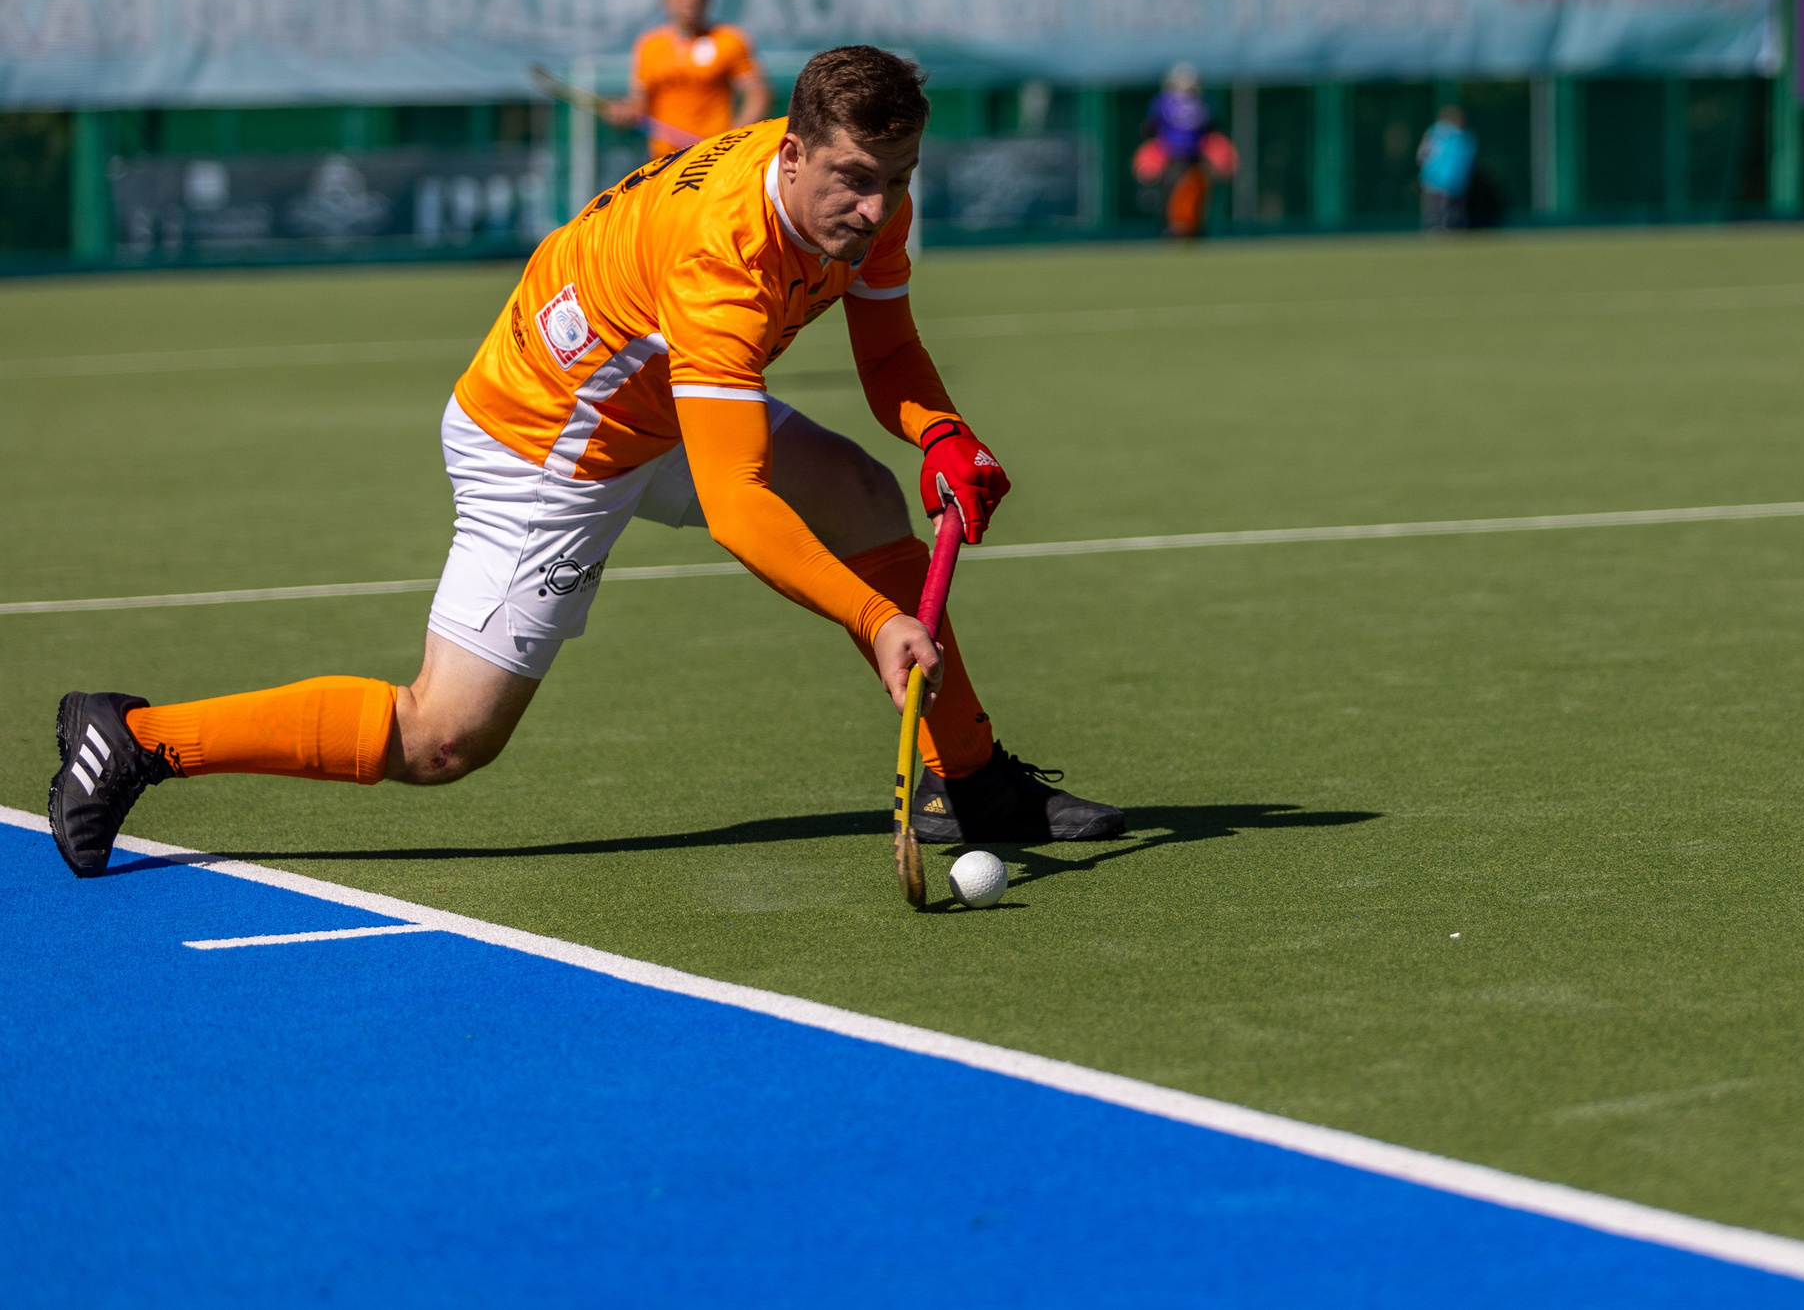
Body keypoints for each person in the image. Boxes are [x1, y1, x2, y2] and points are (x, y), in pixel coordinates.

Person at [47, 47, 1123, 880]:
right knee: (444, 737)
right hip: (547, 441)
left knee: (861, 491)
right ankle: (136, 737)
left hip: (655, 403)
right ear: (792, 156)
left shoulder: (855, 193)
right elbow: (738, 500)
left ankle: (969, 785)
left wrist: (941, 429)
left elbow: (886, 350)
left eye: (897, 180)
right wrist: (877, 620)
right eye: (854, 181)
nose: (878, 210)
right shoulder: (724, 264)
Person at [610, 0, 770, 161]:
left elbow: (758, 95)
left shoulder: (729, 40)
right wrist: (624, 112)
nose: (690, 1)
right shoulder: (649, 46)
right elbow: (639, 104)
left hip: (711, 158)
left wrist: (732, 138)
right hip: (664, 160)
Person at [1133, 64, 1233, 240]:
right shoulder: (1202, 102)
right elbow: (1213, 127)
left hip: (1176, 156)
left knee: (1175, 193)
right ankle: (1187, 229)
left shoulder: (1163, 101)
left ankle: (1174, 229)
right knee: (1191, 194)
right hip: (1191, 156)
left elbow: (1149, 128)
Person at [1416, 105, 1476, 232]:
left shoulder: (1460, 137)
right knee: (1438, 209)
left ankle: (1445, 230)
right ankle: (1439, 230)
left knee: (1449, 209)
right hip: (1440, 180)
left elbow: (1422, 156)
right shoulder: (1441, 135)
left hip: (1448, 181)